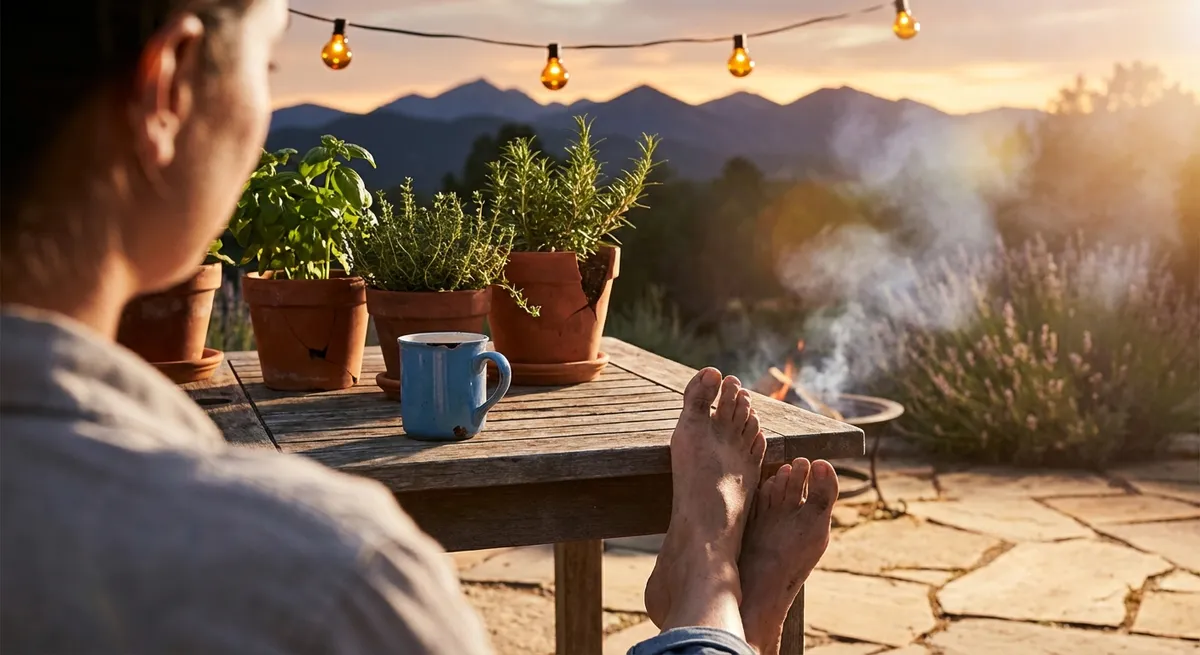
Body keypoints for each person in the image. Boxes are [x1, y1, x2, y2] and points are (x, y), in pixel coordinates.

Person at [0, 1, 839, 653]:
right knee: (711, 627)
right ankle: (713, 609)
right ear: (169, 89)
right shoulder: (325, 584)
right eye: (265, 63)